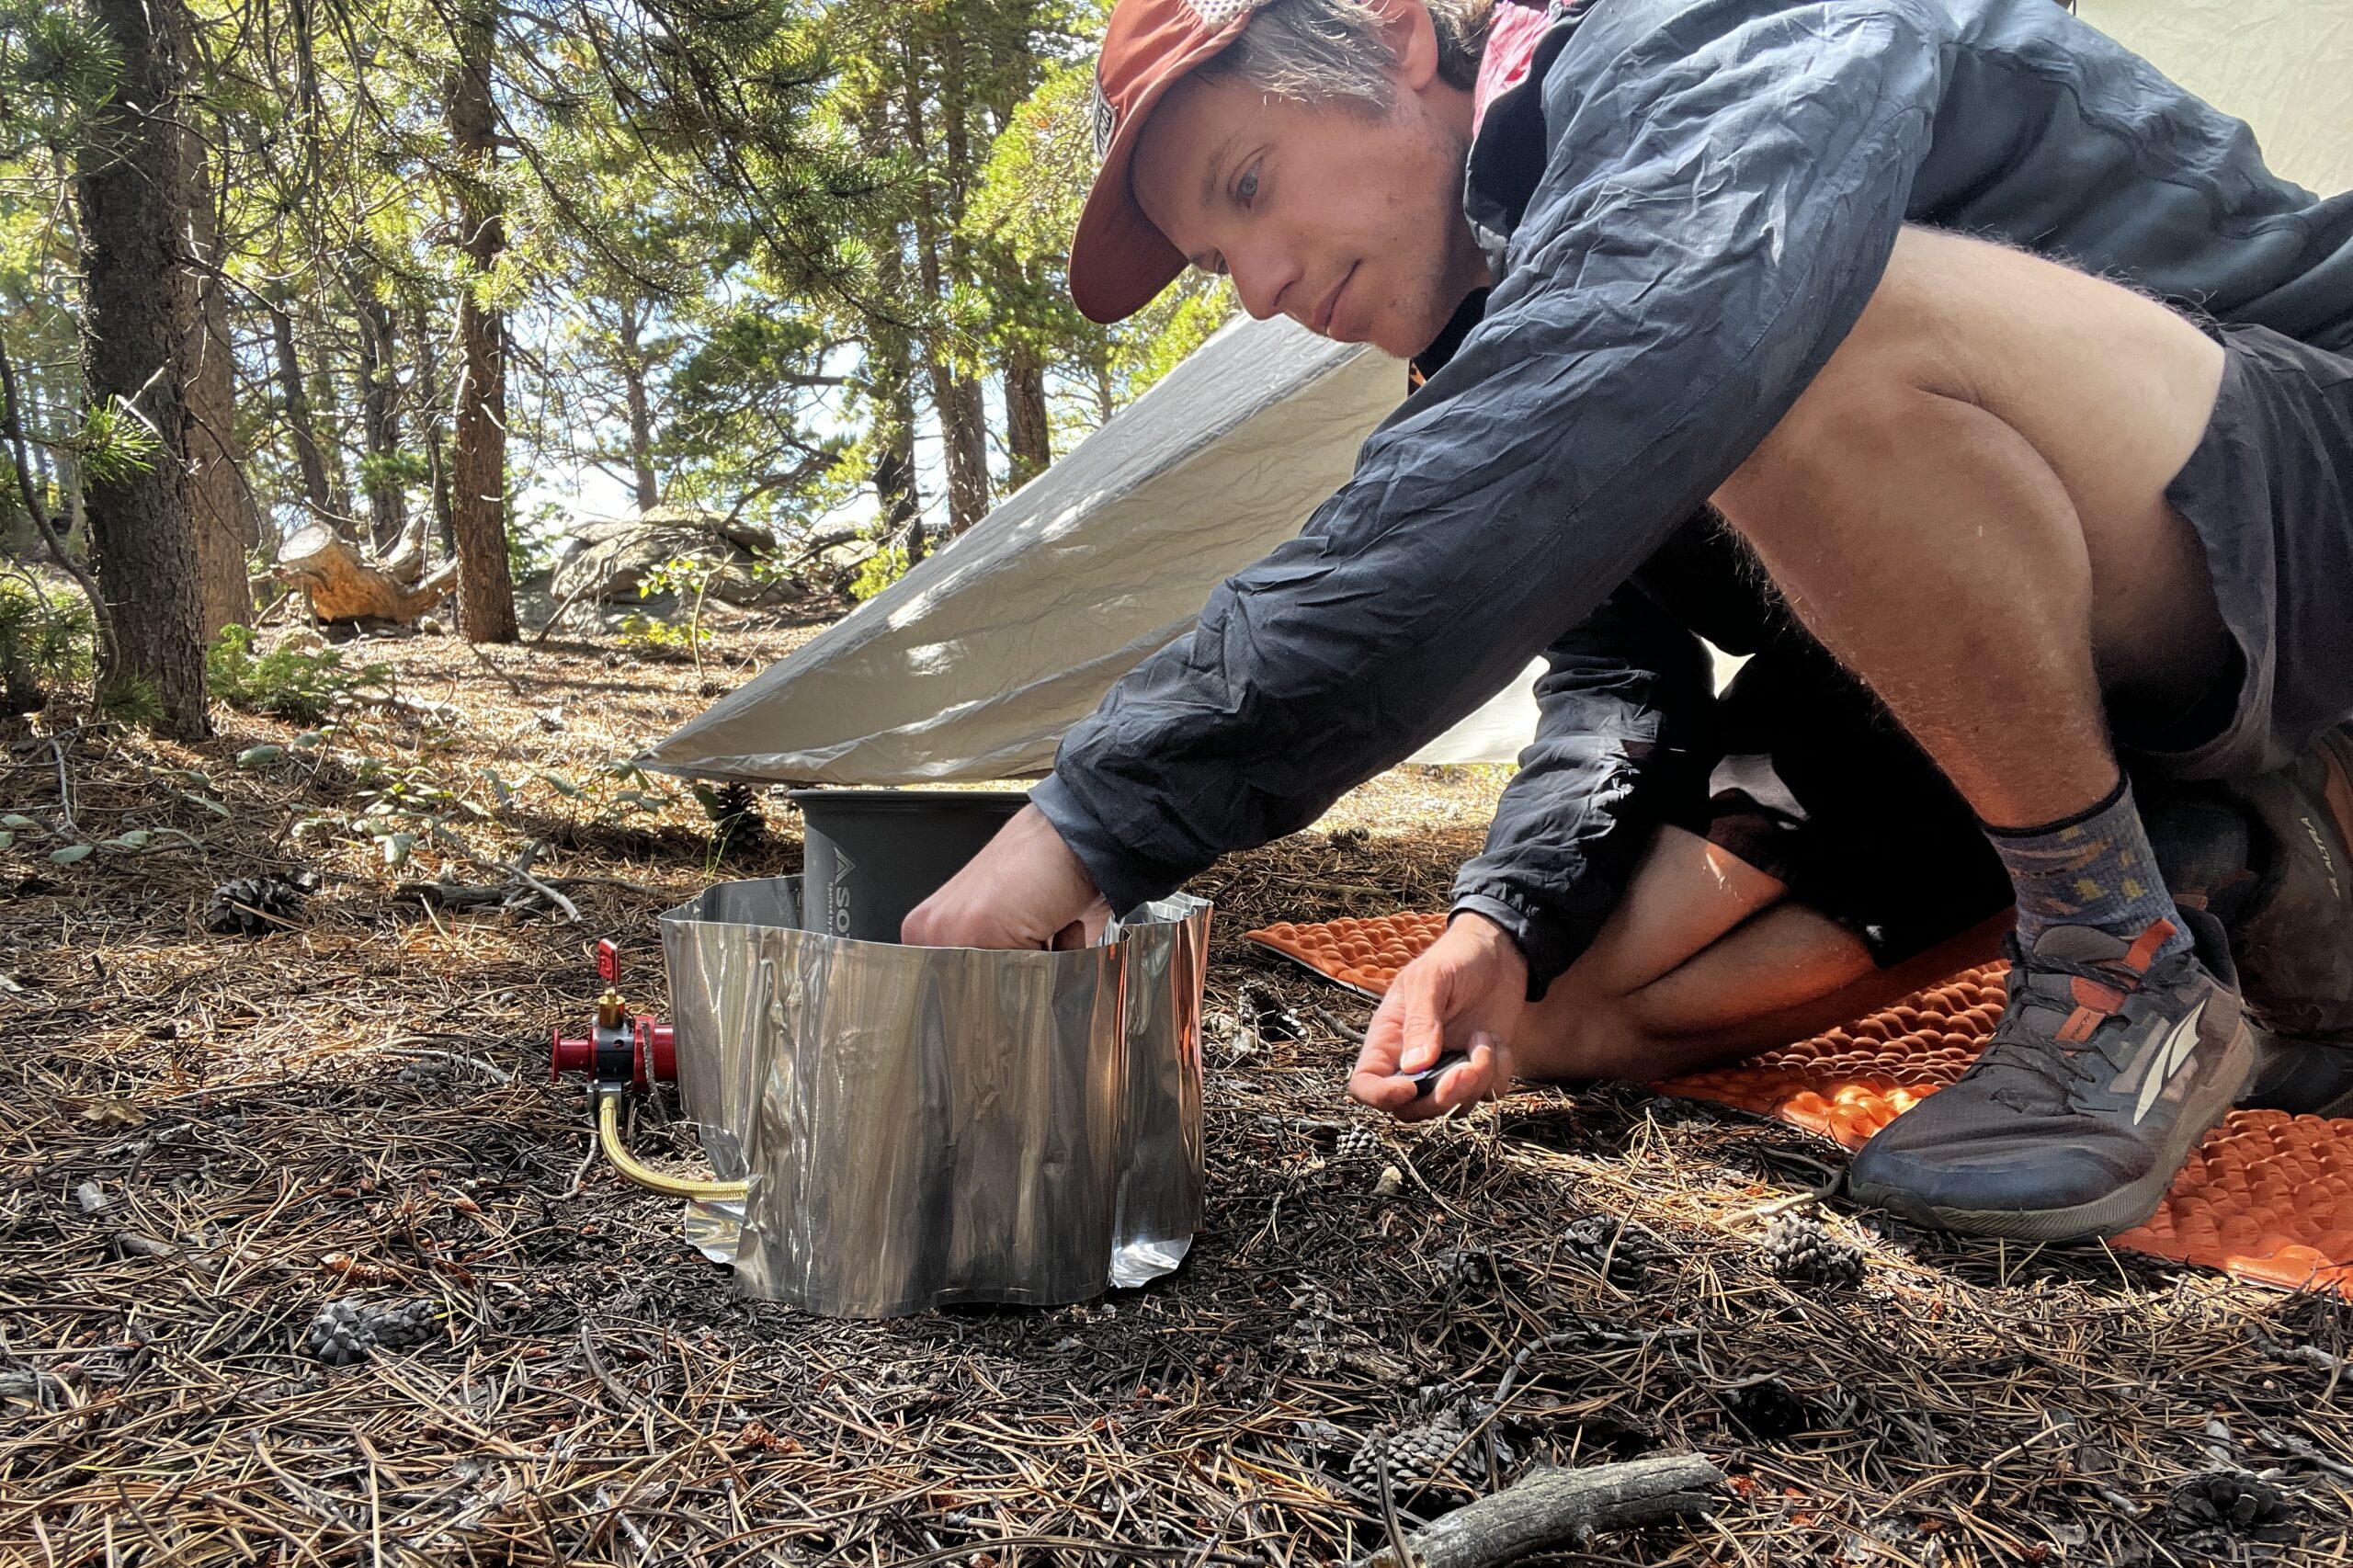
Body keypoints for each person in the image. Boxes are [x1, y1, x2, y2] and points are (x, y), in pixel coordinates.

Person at [904, 0, 2353, 1243]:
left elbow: (1684, 314)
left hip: (2292, 475)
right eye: (1223, 270)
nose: (1265, 288)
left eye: (1251, 182)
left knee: (1808, 329)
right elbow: (1612, 675)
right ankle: (2232, 869)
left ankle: (2123, 954)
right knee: (1569, 1014)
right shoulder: (1509, 318)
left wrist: (1089, 821)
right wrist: (1503, 923)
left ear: (1399, 33)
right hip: (2052, 662)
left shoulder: (1688, 42)